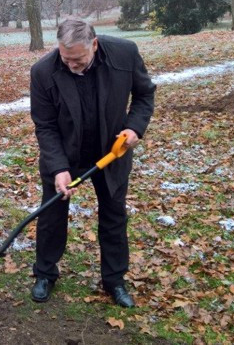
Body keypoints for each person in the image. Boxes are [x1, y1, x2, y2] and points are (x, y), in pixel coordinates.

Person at [29, 18, 156, 308]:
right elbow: (45, 125)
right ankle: (45, 273)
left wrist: (135, 128)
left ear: (94, 45)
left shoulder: (124, 54)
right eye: (66, 58)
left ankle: (114, 280)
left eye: (78, 59)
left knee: (113, 216)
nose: (72, 65)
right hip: (64, 153)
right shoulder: (43, 72)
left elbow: (145, 94)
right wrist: (59, 168)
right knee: (51, 216)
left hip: (111, 150)